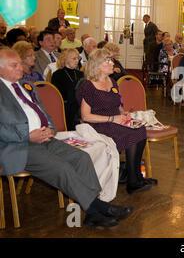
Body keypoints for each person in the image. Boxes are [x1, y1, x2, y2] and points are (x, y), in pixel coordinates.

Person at [0, 48, 131, 227]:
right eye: (14, 65)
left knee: (82, 158)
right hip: (19, 146)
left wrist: (51, 129)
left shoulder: (25, 85)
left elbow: (44, 112)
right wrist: (27, 135)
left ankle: (93, 210)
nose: (20, 68)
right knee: (63, 167)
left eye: (20, 64)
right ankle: (98, 208)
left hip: (46, 138)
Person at [77, 48, 155, 194]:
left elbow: (117, 104)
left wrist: (123, 112)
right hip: (98, 124)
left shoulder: (111, 81)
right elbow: (86, 116)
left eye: (111, 60)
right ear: (98, 65)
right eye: (108, 61)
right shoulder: (88, 86)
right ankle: (133, 181)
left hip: (115, 120)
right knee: (131, 135)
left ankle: (138, 176)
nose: (112, 63)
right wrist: (113, 118)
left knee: (141, 129)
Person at [51, 48, 84, 130]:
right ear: (65, 59)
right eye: (74, 58)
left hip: (80, 105)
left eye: (78, 58)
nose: (77, 61)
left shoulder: (80, 74)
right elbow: (58, 95)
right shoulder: (57, 75)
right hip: (66, 107)